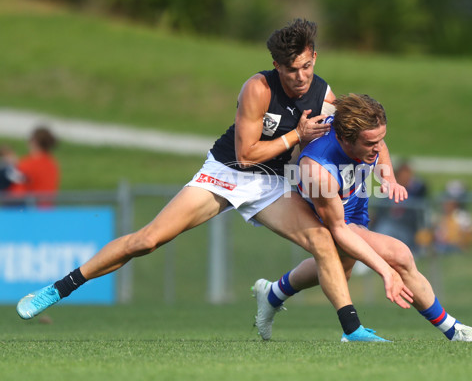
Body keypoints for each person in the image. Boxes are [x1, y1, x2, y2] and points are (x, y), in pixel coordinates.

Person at [16, 19, 407, 342]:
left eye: (306, 66)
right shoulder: (258, 88)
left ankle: (352, 331)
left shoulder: (324, 94)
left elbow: (363, 131)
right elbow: (245, 155)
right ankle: (58, 289)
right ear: (276, 64)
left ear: (314, 58)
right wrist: (295, 138)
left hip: (271, 184)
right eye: (291, 69)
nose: (301, 76)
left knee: (323, 240)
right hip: (225, 174)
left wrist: (385, 171)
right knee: (148, 241)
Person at [252, 93, 472, 342]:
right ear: (344, 139)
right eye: (369, 143)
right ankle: (454, 331)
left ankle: (273, 293)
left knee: (341, 269)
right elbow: (339, 228)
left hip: (354, 208)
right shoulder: (318, 169)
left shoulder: (365, 135)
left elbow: (379, 145)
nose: (376, 147)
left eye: (380, 139)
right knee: (400, 255)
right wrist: (386, 271)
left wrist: (388, 179)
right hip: (333, 218)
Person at [371, 160, 428, 255]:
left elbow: (421, 214)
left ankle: (372, 255)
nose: (405, 178)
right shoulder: (389, 190)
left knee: (385, 228)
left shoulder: (416, 192)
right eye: (402, 175)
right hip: (388, 228)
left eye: (408, 175)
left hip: (407, 230)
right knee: (382, 228)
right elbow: (379, 211)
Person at [1, 127, 60, 206]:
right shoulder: (52, 163)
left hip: (29, 211)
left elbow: (18, 194)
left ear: (34, 142)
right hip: (47, 210)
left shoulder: (27, 164)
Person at [432, 180, 472, 254]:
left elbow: (467, 237)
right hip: (441, 245)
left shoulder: (464, 217)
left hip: (454, 247)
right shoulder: (439, 216)